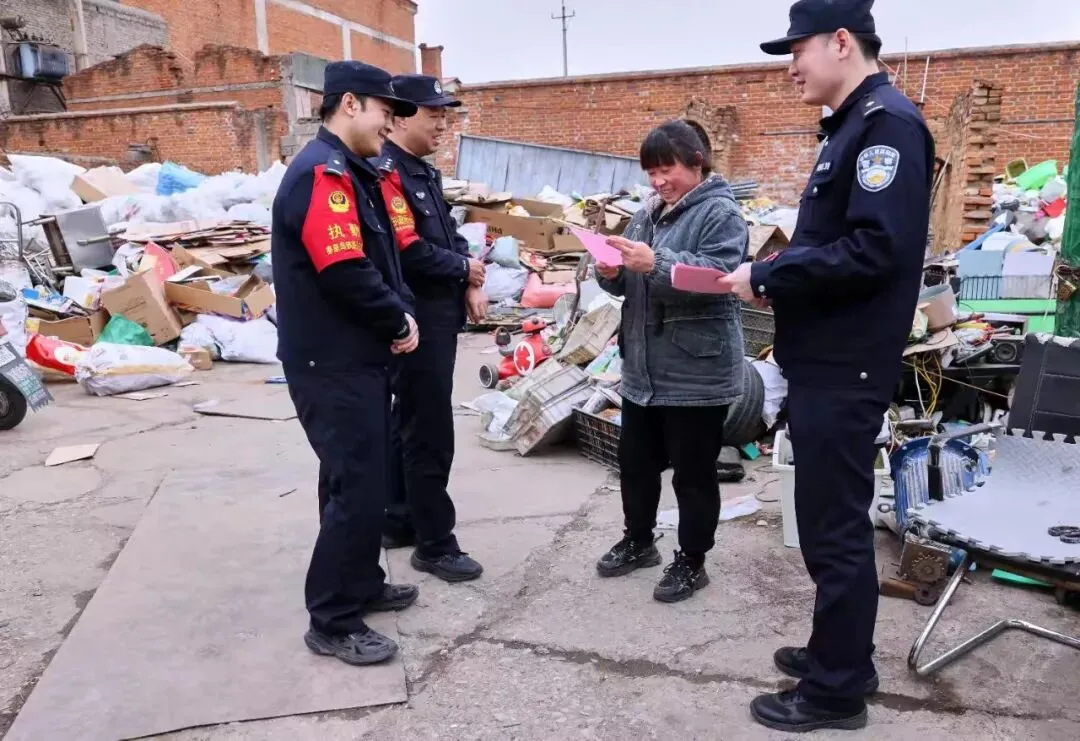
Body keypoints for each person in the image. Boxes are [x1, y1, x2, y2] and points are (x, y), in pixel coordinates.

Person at [716, 0, 934, 732]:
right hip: (828, 359)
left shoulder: (886, 126)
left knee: (834, 529)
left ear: (842, 41)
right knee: (822, 521)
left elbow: (876, 249)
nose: (791, 67)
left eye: (797, 50)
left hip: (847, 365)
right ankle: (842, 654)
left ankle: (836, 691)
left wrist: (771, 273)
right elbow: (840, 244)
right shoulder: (853, 125)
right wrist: (779, 277)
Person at [271, 60, 424, 667]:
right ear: (351, 104)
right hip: (331, 362)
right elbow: (344, 270)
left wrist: (394, 315)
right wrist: (397, 320)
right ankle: (333, 619)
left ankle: (360, 583)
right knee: (355, 487)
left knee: (357, 480)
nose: (391, 123)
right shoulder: (324, 173)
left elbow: (378, 258)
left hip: (351, 357)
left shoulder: (351, 171)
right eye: (386, 111)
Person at [593, 120, 749, 604]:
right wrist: (610, 271)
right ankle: (639, 541)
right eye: (651, 173)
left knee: (692, 474)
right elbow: (630, 278)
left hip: (695, 371)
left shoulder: (721, 213)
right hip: (642, 367)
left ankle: (692, 560)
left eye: (667, 170)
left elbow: (720, 278)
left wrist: (654, 264)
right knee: (635, 464)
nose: (658, 181)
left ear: (696, 162)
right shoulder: (648, 213)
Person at [374, 74, 487, 582]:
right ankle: (435, 543)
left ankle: (400, 518)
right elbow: (408, 249)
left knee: (410, 421)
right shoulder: (388, 174)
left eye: (445, 115)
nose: (442, 124)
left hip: (439, 314)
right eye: (433, 114)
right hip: (416, 320)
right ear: (400, 118)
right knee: (429, 431)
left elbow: (448, 234)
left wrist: (470, 275)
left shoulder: (421, 171)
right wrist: (464, 271)